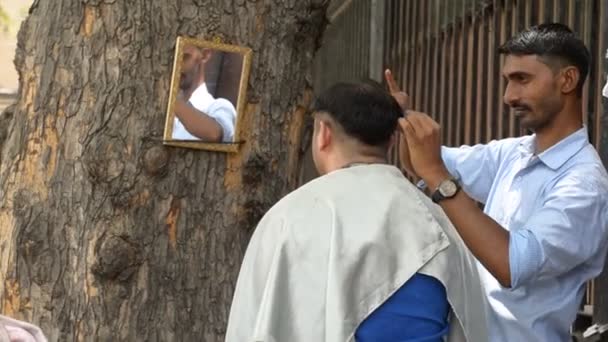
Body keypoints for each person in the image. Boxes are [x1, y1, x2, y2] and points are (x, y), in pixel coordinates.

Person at [390, 23, 608, 342]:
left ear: (567, 80)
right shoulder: (513, 153)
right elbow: (423, 160)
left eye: (522, 79)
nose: (509, 96)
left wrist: (439, 178)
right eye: (507, 81)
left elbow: (511, 264)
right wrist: (400, 119)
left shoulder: (584, 185)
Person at [225, 81, 489, 342]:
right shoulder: (441, 221)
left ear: (323, 133)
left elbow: (254, 325)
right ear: (393, 140)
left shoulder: (289, 217)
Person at [171, 45, 236, 143]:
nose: (176, 66)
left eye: (184, 56)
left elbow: (215, 134)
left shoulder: (219, 106)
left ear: (205, 55)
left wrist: (172, 101)